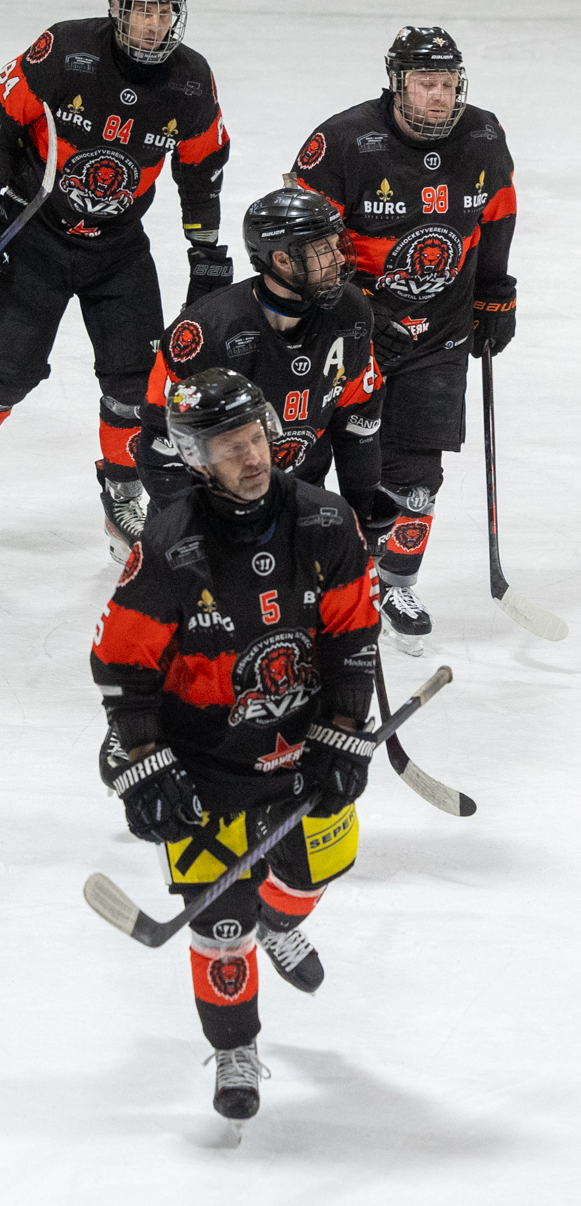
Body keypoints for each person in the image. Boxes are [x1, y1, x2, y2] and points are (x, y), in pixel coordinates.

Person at [91, 369, 381, 1122]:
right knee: (222, 929)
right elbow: (121, 664)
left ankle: (279, 921)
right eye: (230, 448)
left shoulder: (325, 521)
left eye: (255, 438)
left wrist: (344, 728)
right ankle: (234, 1049)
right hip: (204, 761)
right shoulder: (171, 544)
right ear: (196, 459)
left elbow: (353, 638)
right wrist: (142, 757)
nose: (252, 458)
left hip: (299, 748)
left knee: (317, 869)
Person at [0, 0, 230, 559]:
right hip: (34, 232)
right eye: (142, 12)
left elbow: (200, 171)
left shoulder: (192, 79)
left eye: (164, 12)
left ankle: (121, 489)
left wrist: (205, 253)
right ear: (117, 9)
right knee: (4, 372)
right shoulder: (65, 49)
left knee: (135, 384)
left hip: (118, 249)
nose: (154, 25)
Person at [293, 27, 517, 648]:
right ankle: (312, 583)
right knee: (312, 463)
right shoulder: (342, 141)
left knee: (417, 477)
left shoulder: (483, 135)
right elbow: (302, 246)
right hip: (344, 335)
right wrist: (359, 314)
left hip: (439, 333)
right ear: (397, 83)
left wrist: (496, 291)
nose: (440, 96)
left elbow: (497, 214)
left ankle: (393, 581)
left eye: (447, 84)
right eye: (425, 84)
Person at [137, 181, 383, 523]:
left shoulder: (350, 312)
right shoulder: (204, 333)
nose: (340, 258)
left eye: (336, 244)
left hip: (298, 503)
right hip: (215, 509)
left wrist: (364, 512)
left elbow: (356, 422)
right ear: (282, 259)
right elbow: (162, 449)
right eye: (324, 250)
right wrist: (200, 528)